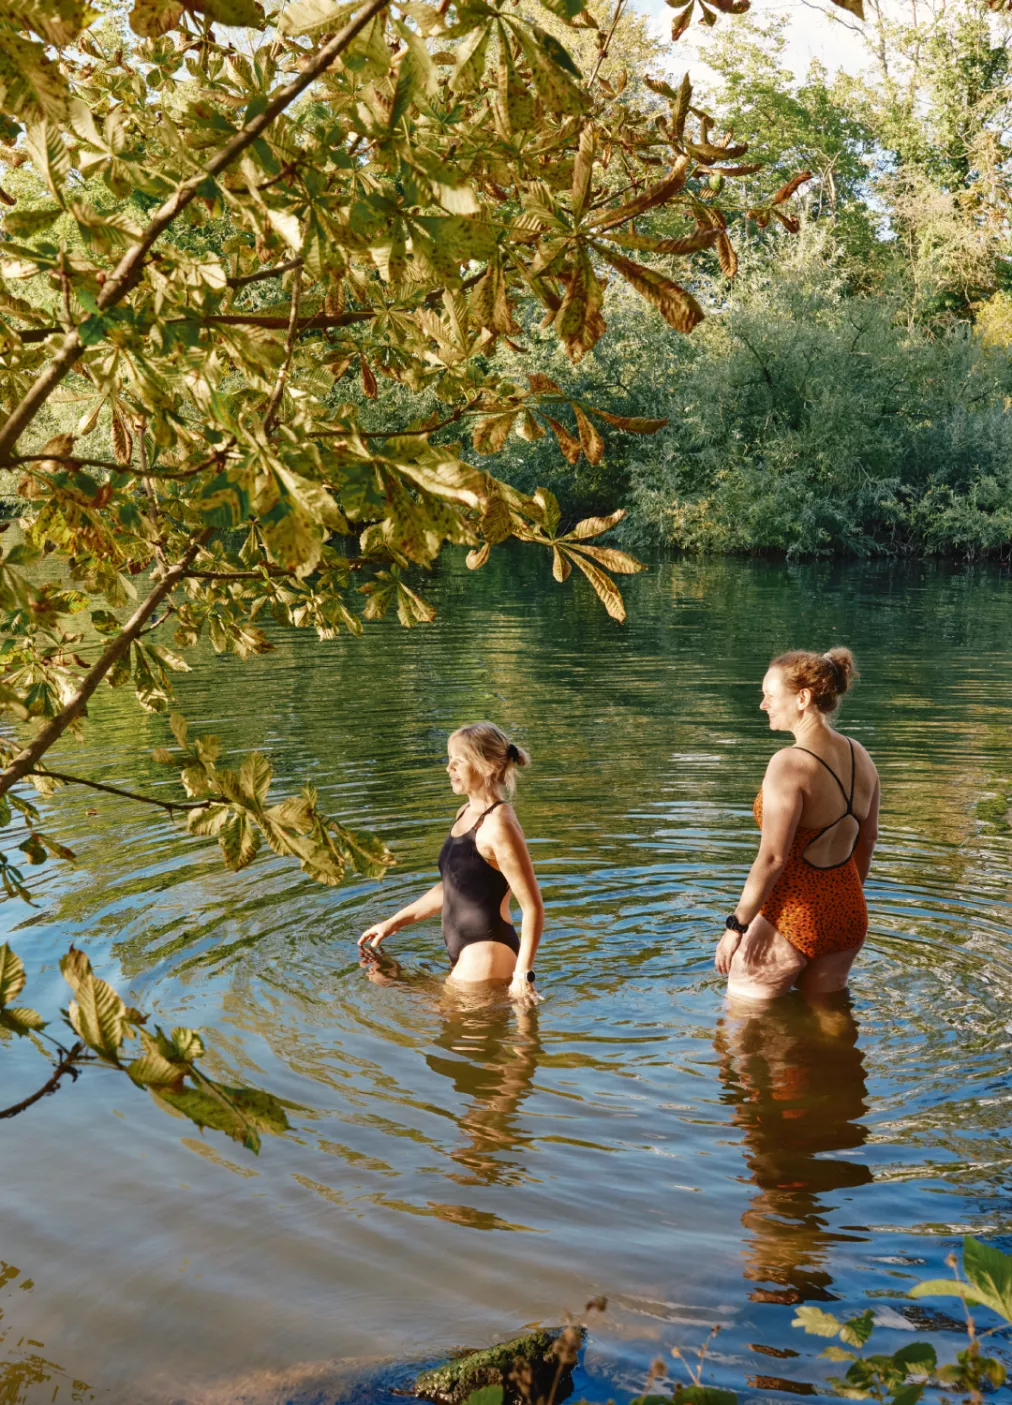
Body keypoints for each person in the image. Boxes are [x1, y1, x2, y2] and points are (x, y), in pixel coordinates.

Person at [715, 648, 880, 1002]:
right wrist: (843, 901)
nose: (763, 705)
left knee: (742, 1021)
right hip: (848, 911)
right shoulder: (861, 755)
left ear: (802, 698)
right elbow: (867, 841)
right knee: (829, 1015)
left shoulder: (788, 763)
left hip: (794, 915)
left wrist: (736, 926)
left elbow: (773, 858)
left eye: (770, 695)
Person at [358, 723, 544, 1004]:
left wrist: (522, 975)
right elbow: (454, 886)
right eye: (449, 760)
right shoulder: (465, 812)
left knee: (447, 1022)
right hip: (465, 950)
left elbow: (532, 907)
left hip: (486, 952)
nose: (449, 768)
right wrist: (396, 921)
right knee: (443, 1020)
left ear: (486, 766)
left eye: (458, 761)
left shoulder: (499, 825)